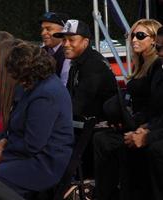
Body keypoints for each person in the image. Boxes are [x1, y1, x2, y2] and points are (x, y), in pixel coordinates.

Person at [0, 39, 73, 198]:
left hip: (44, 164)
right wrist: (1, 142)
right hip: (28, 156)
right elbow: (16, 129)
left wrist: (2, 153)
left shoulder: (45, 94)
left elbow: (33, 144)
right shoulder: (35, 87)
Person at [93, 19, 162, 200]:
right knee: (100, 137)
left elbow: (154, 106)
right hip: (136, 123)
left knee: (107, 142)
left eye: (140, 35)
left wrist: (143, 128)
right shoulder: (140, 64)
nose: (134, 39)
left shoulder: (156, 66)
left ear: (155, 39)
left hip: (147, 127)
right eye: (132, 35)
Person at [122, 25, 163, 200]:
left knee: (155, 150)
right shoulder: (160, 69)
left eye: (140, 35)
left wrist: (147, 136)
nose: (160, 53)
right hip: (151, 125)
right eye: (159, 49)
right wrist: (146, 128)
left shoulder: (155, 68)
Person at [53, 19, 117, 122]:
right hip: (86, 125)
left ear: (85, 42)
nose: (65, 44)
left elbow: (78, 105)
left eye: (71, 40)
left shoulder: (94, 64)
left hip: (100, 128)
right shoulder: (77, 62)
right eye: (64, 40)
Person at [39, 11, 70, 85]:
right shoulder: (39, 53)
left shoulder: (71, 54)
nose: (43, 33)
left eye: (48, 29)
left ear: (63, 31)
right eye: (42, 29)